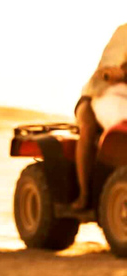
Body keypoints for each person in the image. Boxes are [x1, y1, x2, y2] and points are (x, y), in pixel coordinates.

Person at [72, 23, 127, 210]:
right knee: (87, 127)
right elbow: (105, 71)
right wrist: (115, 73)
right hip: (97, 95)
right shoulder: (123, 34)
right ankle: (84, 195)